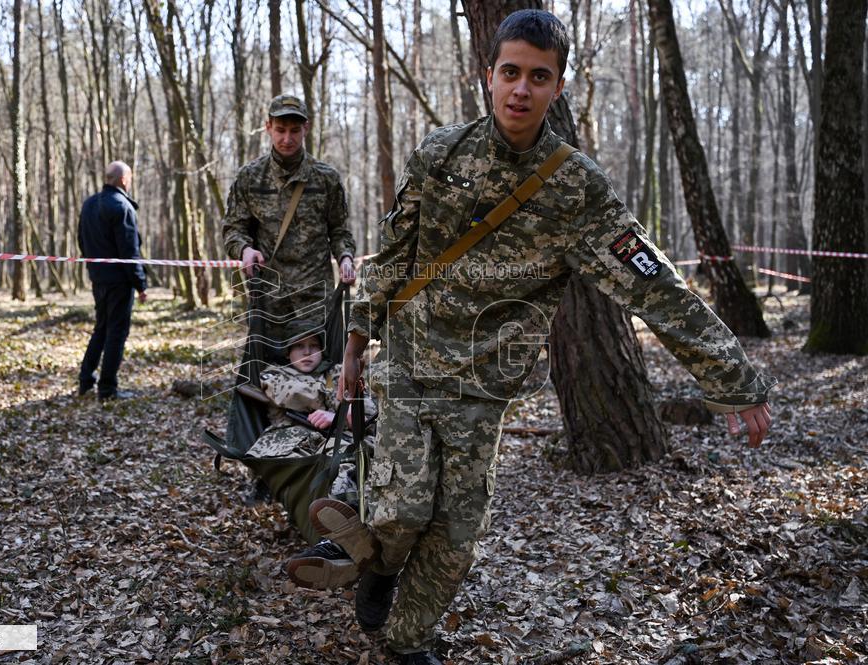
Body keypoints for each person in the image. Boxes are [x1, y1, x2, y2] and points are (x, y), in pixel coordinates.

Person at [294, 11, 776, 665]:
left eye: (539, 77)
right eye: (511, 72)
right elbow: (392, 255)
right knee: (403, 511)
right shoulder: (441, 155)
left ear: (558, 87)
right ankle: (379, 564)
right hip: (409, 364)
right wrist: (355, 344)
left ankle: (407, 641)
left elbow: (654, 284)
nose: (522, 89)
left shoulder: (577, 189)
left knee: (457, 535)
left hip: (485, 387)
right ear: (488, 75)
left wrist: (732, 377)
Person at [222, 94, 357, 355]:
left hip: (315, 296)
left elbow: (340, 231)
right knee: (268, 371)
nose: (287, 138)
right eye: (280, 130)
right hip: (269, 297)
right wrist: (245, 250)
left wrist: (345, 258)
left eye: (294, 130)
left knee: (320, 367)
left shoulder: (326, 178)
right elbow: (233, 228)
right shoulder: (250, 177)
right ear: (268, 127)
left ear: (306, 129)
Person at [246, 324, 376, 590]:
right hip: (291, 443)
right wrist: (341, 406)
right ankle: (341, 542)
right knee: (337, 463)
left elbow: (368, 409)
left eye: (313, 346)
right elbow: (295, 395)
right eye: (299, 347)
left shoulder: (337, 371)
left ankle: (350, 541)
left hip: (338, 438)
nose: (307, 353)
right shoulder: (275, 374)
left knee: (359, 457)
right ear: (288, 352)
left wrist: (340, 414)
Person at [78, 161, 147, 401]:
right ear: (124, 180)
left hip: (98, 278)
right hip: (119, 281)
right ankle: (107, 389)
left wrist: (93, 268)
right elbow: (130, 251)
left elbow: (81, 241)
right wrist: (140, 284)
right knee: (115, 332)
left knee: (101, 328)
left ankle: (86, 380)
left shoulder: (89, 204)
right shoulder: (122, 206)